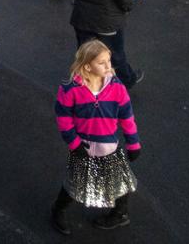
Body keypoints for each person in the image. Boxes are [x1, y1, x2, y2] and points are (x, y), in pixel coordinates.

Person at [51, 40, 140, 233]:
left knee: (118, 181)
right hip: (82, 147)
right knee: (74, 182)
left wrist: (133, 143)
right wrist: (74, 143)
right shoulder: (70, 89)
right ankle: (58, 210)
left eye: (109, 60)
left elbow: (127, 117)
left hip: (109, 147)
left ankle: (120, 213)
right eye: (102, 62)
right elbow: (63, 119)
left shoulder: (117, 88)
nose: (109, 66)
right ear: (87, 66)